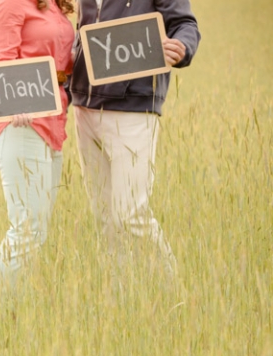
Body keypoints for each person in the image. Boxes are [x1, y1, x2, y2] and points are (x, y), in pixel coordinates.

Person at [70, 0, 200, 280]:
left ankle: (173, 291)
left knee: (130, 213)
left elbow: (185, 25)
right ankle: (119, 295)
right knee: (104, 215)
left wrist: (182, 47)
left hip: (134, 109)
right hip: (84, 109)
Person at [0, 0, 76, 321]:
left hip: (53, 123)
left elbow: (63, 62)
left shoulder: (53, 4)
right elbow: (2, 63)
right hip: (20, 125)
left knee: (37, 230)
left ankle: (10, 309)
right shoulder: (10, 2)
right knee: (27, 227)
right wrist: (13, 103)